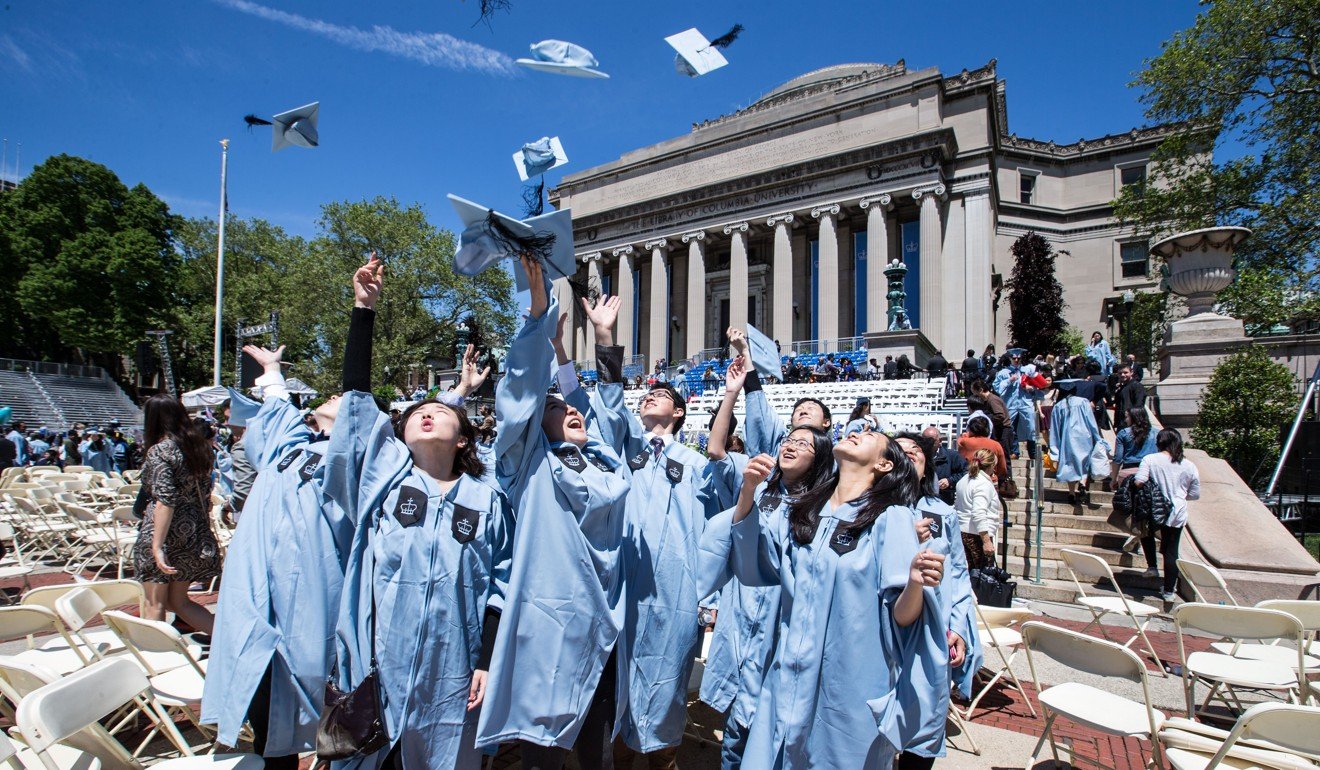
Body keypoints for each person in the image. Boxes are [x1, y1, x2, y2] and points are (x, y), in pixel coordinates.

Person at [323, 256, 512, 770]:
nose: (428, 412)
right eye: (416, 412)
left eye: (444, 410)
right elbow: (358, 405)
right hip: (381, 660)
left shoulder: (486, 500)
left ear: (466, 435)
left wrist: (487, 661)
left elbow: (500, 584)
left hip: (454, 671)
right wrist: (365, 311)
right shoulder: (382, 482)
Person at [712, 430, 946, 768]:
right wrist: (748, 491)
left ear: (884, 464)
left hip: (845, 688)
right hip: (786, 679)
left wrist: (914, 584)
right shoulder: (804, 512)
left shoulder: (891, 518)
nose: (855, 432)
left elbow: (903, 618)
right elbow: (755, 566)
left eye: (868, 435)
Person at [476, 258, 631, 770]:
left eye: (571, 407)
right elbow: (520, 395)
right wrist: (540, 316)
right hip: (547, 628)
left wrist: (603, 340)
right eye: (555, 407)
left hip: (603, 627)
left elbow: (603, 405)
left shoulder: (607, 462)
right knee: (544, 753)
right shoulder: (529, 466)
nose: (571, 409)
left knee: (595, 751)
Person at [591, 329, 723, 769]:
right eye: (646, 394)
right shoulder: (624, 450)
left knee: (666, 686)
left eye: (662, 394)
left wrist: (710, 597)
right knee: (618, 687)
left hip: (675, 590)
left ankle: (663, 759)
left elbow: (717, 533)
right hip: (621, 586)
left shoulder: (699, 465)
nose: (650, 396)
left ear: (680, 411)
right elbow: (609, 404)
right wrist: (606, 339)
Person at [704, 354, 836, 770]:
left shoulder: (826, 506)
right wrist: (732, 390)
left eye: (804, 441)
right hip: (742, 622)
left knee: (778, 734)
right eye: (789, 438)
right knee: (736, 733)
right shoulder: (759, 481)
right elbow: (715, 448)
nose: (791, 443)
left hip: (784, 633)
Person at [893, 432, 980, 770]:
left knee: (924, 723)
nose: (910, 453)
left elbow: (958, 574)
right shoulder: (865, 508)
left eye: (916, 450)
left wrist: (958, 626)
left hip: (931, 632)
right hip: (882, 630)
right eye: (899, 449)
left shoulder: (943, 512)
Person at [133, 394, 220, 633]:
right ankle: (233, 643)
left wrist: (157, 546)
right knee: (178, 602)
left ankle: (156, 659)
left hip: (162, 530)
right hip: (193, 531)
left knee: (155, 603)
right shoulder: (201, 448)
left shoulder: (160, 450)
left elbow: (165, 500)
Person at [1134, 430, 1201, 602]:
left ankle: (1152, 566)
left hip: (1153, 508)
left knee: (1145, 533)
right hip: (1176, 512)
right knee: (1171, 551)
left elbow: (1139, 481)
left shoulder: (1150, 459)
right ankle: (1169, 591)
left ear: (1159, 442)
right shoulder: (1189, 465)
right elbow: (1194, 494)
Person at [1049, 379, 1104, 505]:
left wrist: (1054, 449)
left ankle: (1071, 492)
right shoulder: (1084, 402)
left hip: (1066, 439)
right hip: (1084, 437)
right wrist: (1097, 437)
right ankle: (1083, 484)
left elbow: (1055, 428)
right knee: (1084, 462)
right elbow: (1091, 421)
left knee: (1070, 464)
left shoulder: (1058, 406)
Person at [993, 349, 1042, 462]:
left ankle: (1032, 451)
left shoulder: (1027, 371)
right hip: (1010, 403)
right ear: (1010, 358)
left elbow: (1038, 385)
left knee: (1031, 425)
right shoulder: (1003, 372)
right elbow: (997, 387)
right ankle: (1014, 451)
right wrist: (1009, 380)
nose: (1016, 360)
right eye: (1014, 358)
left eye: (1018, 358)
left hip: (1025, 402)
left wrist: (1031, 388)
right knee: (1010, 427)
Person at [954, 449, 1000, 568]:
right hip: (977, 535)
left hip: (963, 532)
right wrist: (986, 541)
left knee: (970, 573)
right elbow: (978, 512)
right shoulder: (982, 483)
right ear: (991, 465)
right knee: (983, 577)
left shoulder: (963, 480)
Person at [1112, 407, 1157, 488]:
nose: (1125, 420)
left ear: (1133, 417)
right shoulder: (1157, 433)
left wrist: (1114, 478)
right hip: (1150, 472)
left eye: (1127, 417)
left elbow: (1118, 458)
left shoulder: (1123, 433)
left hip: (1128, 471)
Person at [923, 425, 967, 507]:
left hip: (945, 500)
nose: (927, 443)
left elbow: (966, 472)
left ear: (940, 441)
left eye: (931, 440)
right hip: (923, 500)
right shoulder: (918, 456)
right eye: (924, 440)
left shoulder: (952, 456)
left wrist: (950, 481)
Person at [956, 413, 1007, 482]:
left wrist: (966, 435)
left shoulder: (965, 441)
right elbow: (1002, 468)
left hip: (969, 479)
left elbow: (959, 441)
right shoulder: (996, 445)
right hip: (990, 480)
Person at [1112, 364, 1147, 430]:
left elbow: (1139, 404)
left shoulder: (1137, 386)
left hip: (1132, 423)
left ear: (1131, 372)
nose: (1122, 375)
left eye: (1125, 372)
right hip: (1121, 423)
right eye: (1120, 373)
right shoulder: (1121, 388)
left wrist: (1134, 420)